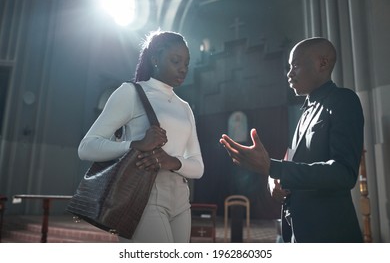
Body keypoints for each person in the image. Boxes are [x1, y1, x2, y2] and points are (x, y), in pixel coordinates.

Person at [220, 37, 364, 243]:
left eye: (295, 65)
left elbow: (344, 173)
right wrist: (274, 180)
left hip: (328, 233)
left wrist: (273, 167)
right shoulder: (305, 111)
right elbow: (291, 163)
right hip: (297, 231)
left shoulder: (342, 100)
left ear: (322, 63)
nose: (289, 74)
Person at [78, 30, 204, 242]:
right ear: (155, 59)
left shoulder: (185, 108)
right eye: (175, 61)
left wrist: (170, 161)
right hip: (144, 196)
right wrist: (136, 145)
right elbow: (86, 147)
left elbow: (198, 167)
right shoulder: (131, 93)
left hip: (182, 201)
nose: (183, 68)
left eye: (186, 63)